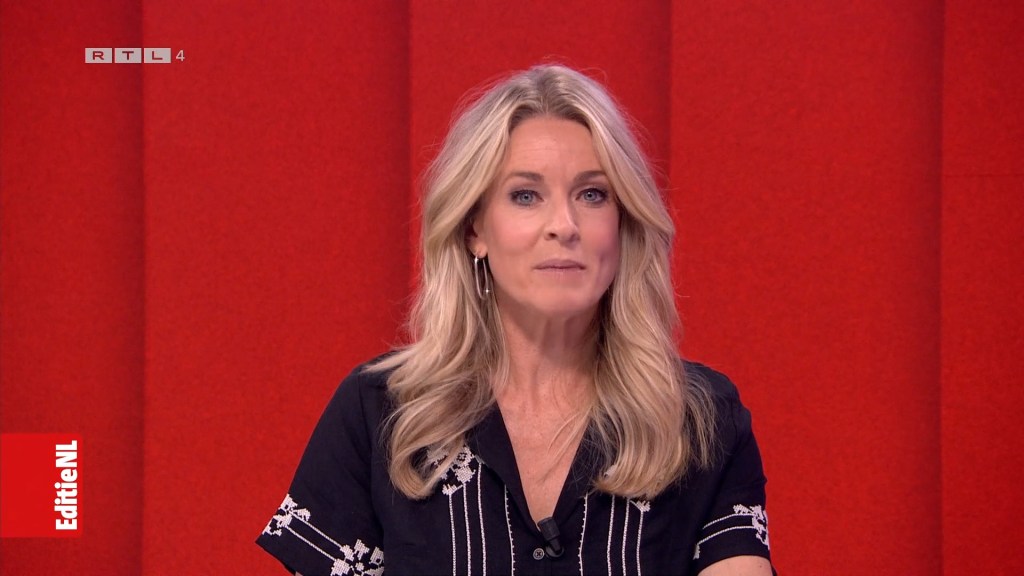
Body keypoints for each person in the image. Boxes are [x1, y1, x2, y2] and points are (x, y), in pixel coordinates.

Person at [257, 64, 774, 576]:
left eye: (593, 194)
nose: (564, 225)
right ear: (474, 230)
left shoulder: (701, 419)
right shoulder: (379, 410)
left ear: (622, 225)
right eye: (526, 195)